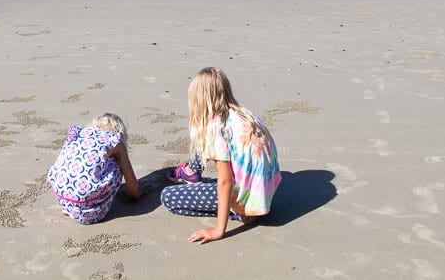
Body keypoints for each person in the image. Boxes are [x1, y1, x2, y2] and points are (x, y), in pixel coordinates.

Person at [160, 67, 281, 244]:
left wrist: (218, 230)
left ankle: (233, 212)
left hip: (247, 207)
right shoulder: (244, 114)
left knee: (168, 197)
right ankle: (191, 172)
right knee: (204, 137)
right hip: (267, 191)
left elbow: (225, 182)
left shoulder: (217, 127)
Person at [47, 113, 141, 224]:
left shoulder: (79, 134)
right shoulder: (115, 141)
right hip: (90, 213)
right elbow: (133, 192)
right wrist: (137, 192)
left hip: (63, 200)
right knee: (117, 164)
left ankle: (72, 205)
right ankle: (90, 203)